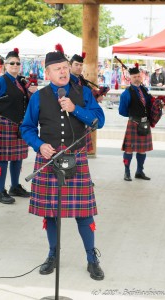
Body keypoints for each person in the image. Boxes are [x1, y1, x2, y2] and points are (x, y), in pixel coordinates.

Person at [20, 46, 105, 281]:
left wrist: (75, 109)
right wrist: (39, 145)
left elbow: (100, 121)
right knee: (51, 213)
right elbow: (25, 128)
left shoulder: (83, 93)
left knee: (84, 213)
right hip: (49, 160)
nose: (63, 72)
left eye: (65, 68)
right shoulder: (38, 97)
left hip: (75, 158)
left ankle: (92, 258)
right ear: (47, 73)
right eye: (57, 69)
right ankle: (53, 254)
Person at [0, 48, 37, 204]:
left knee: (17, 158)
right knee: (2, 159)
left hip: (20, 125)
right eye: (11, 63)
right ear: (5, 65)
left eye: (17, 63)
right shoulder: (0, 81)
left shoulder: (20, 81)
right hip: (5, 124)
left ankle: (14, 186)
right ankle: (0, 192)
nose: (15, 65)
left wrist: (32, 92)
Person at [119, 64, 154, 182]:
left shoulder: (144, 89)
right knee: (129, 150)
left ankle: (139, 171)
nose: (137, 78)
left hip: (145, 123)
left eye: (139, 76)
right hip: (133, 123)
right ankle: (127, 172)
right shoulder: (126, 93)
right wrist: (134, 116)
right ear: (130, 78)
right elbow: (122, 111)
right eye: (134, 77)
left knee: (142, 149)